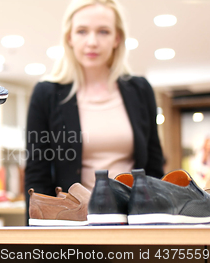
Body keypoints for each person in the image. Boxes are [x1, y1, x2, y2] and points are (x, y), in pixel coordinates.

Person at [25, 0, 164, 218]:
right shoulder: (46, 94)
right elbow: (37, 172)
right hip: (73, 220)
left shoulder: (140, 90)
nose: (92, 42)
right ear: (69, 37)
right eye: (82, 31)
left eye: (103, 31)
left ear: (117, 38)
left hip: (133, 217)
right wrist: (39, 236)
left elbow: (154, 167)